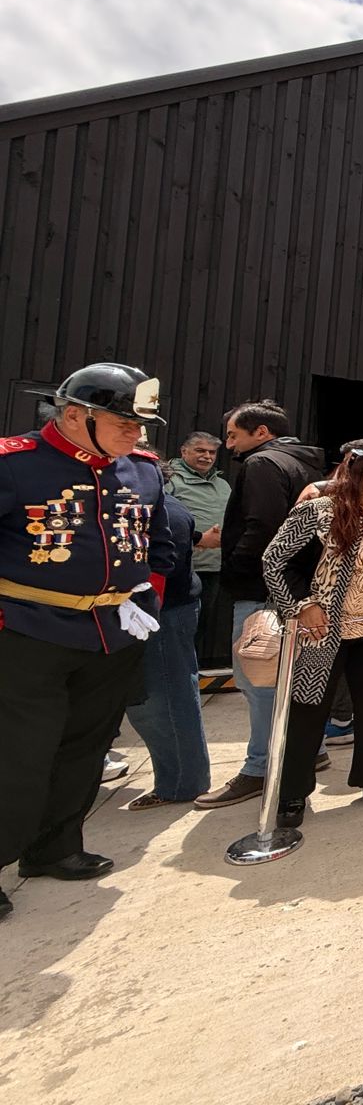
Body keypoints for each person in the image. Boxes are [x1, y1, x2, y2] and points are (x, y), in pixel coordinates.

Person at [0, 363, 174, 920]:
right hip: (27, 633)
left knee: (86, 748)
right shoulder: (15, 465)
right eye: (124, 421)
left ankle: (54, 847)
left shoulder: (143, 470)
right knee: (19, 755)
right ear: (76, 415)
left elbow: (160, 546)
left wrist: (146, 605)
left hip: (112, 634)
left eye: (140, 424)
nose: (137, 434)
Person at [263, 449, 363, 826]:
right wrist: (301, 605)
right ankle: (293, 793)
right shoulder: (318, 512)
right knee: (309, 709)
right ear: (355, 481)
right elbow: (274, 560)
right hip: (324, 632)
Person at [194, 401, 325, 810]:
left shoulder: (263, 465)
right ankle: (307, 751)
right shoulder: (307, 466)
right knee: (291, 679)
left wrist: (235, 568)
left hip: (264, 590)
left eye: (234, 435)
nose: (228, 445)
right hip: (301, 587)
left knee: (258, 678)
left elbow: (264, 527)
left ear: (262, 432)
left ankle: (260, 767)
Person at [123, 453, 211, 808]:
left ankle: (181, 783)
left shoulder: (165, 512)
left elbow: (163, 569)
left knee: (164, 701)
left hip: (162, 614)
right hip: (157, 614)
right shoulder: (157, 507)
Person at [165, 431, 232, 668]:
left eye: (212, 452)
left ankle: (185, 674)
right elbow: (163, 521)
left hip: (213, 567)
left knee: (199, 627)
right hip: (182, 568)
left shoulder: (222, 484)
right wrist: (198, 540)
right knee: (174, 629)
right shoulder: (170, 479)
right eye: (200, 451)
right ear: (184, 451)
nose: (207, 456)